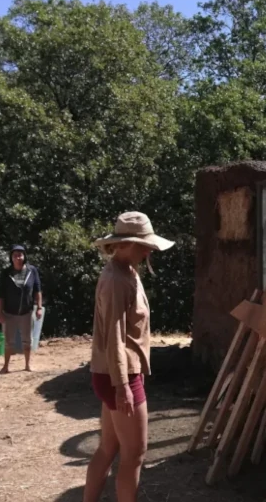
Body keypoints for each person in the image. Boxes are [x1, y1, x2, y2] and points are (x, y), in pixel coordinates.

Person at [84, 211, 174, 502]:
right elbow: (114, 337)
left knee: (108, 448)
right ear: (125, 243)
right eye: (143, 244)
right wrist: (123, 385)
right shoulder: (115, 280)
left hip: (114, 373)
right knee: (134, 454)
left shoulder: (127, 271)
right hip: (118, 375)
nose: (149, 249)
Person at [0, 244, 43, 373]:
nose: (18, 257)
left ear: (24, 256)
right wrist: (0, 313)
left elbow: (37, 291)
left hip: (26, 312)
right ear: (11, 258)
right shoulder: (6, 273)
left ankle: (27, 365)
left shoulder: (32, 271)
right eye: (15, 255)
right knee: (8, 342)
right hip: (9, 313)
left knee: (27, 340)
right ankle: (5, 367)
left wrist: (39, 307)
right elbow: (0, 296)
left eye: (20, 255)